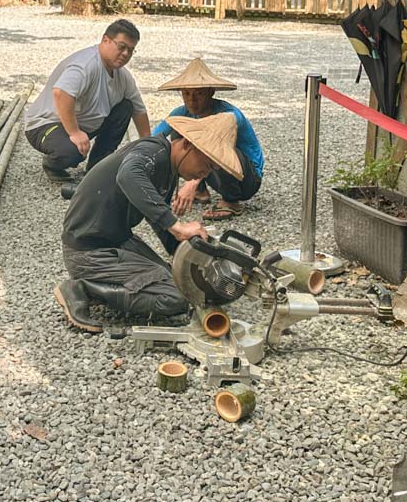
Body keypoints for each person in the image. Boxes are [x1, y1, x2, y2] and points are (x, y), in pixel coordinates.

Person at [54, 113, 243, 333]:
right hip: (88, 251)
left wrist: (189, 254)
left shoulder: (168, 169)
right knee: (175, 298)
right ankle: (83, 289)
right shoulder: (152, 151)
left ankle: (102, 285)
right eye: (207, 164)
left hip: (116, 240)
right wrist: (178, 225)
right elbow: (128, 175)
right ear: (186, 144)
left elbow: (157, 217)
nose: (205, 173)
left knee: (180, 283)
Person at [25, 19, 151, 184]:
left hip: (83, 124)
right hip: (45, 124)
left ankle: (97, 166)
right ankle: (53, 164)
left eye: (130, 50)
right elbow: (61, 93)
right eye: (121, 47)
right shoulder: (86, 64)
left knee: (125, 107)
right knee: (71, 152)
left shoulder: (123, 76)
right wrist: (74, 133)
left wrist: (148, 146)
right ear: (105, 40)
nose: (125, 54)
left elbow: (138, 110)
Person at [152, 58, 263, 222]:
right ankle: (201, 192)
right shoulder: (180, 113)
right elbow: (154, 141)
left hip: (247, 178)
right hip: (210, 171)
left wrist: (190, 184)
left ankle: (231, 200)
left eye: (199, 94)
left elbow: (214, 150)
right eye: (187, 94)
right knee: (179, 135)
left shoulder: (230, 115)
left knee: (215, 145)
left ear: (210, 92)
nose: (192, 100)